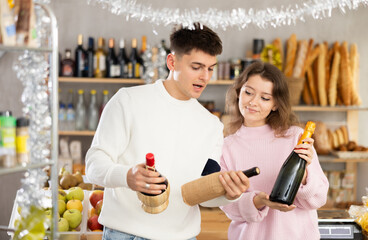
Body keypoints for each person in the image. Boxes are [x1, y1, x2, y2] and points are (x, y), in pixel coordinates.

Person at [85, 22, 249, 240]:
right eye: (196, 67)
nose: (205, 77)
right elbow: (94, 164)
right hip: (126, 234)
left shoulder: (211, 125)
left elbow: (200, 195)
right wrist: (128, 176)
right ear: (172, 62)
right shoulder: (128, 100)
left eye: (210, 68)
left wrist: (230, 194)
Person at [219, 61, 329, 240]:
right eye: (248, 92)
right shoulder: (226, 147)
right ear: (239, 92)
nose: (253, 102)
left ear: (276, 104)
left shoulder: (296, 138)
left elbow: (318, 199)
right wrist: (259, 201)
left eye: (265, 98)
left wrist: (305, 176)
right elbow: (229, 207)